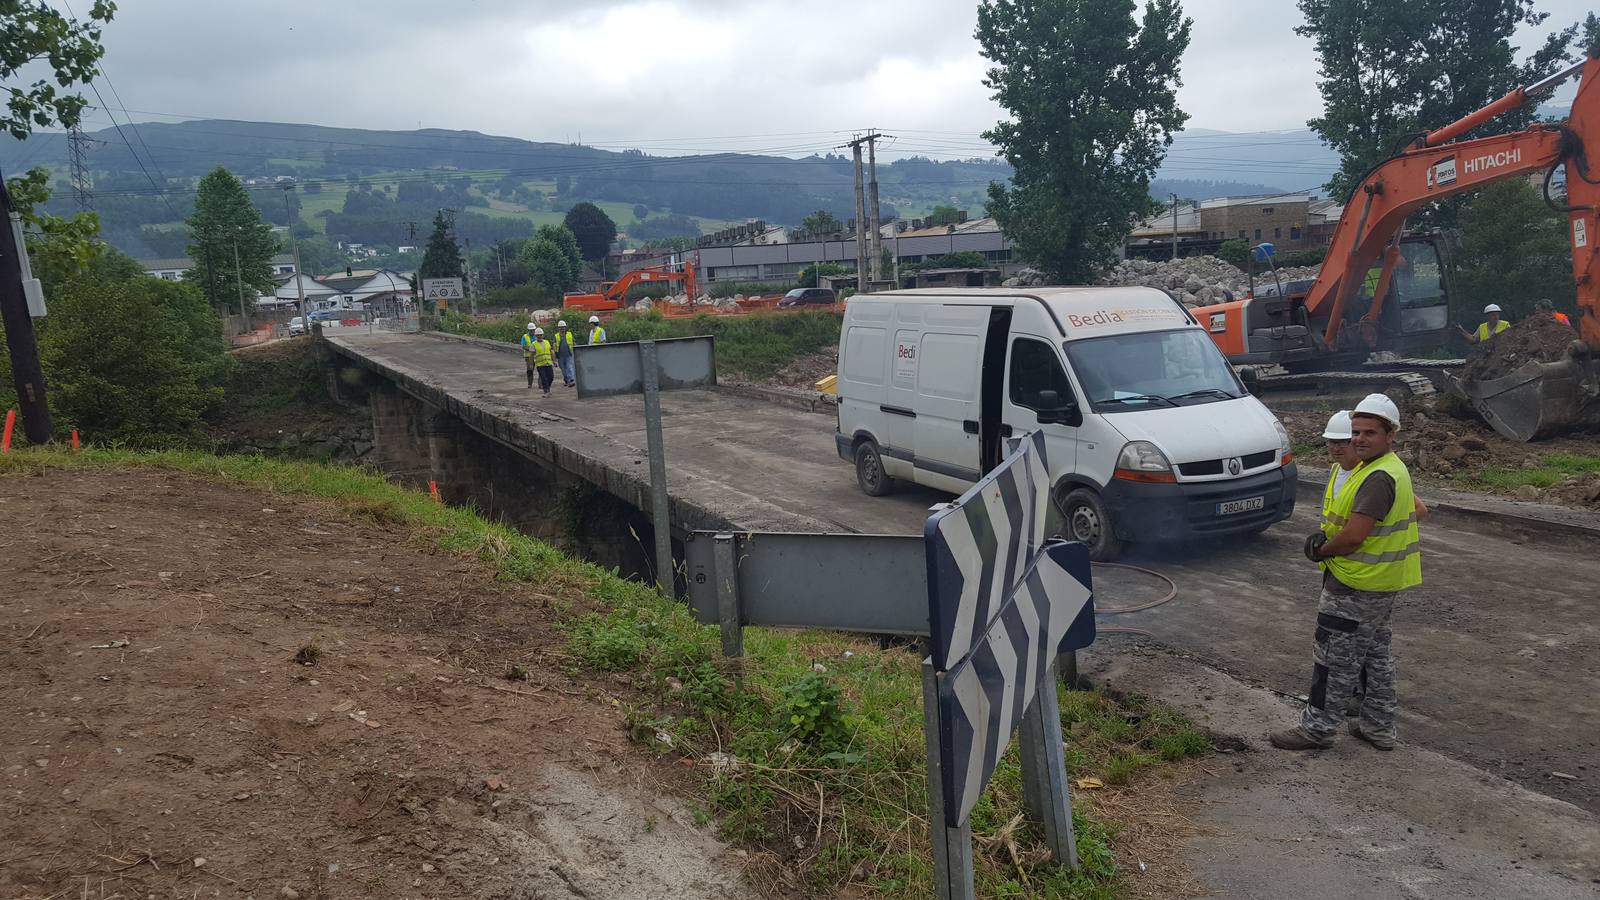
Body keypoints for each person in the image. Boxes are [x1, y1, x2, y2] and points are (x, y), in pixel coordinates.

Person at [1272, 394, 1421, 752]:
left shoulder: (1377, 477)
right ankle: (1378, 727)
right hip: (1380, 583)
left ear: (1391, 435)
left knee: (1333, 660)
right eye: (1355, 432)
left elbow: (1354, 537)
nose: (1358, 440)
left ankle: (1317, 730)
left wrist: (1320, 550)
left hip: (1355, 584)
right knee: (1375, 657)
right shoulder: (1384, 469)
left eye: (1369, 432)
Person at [526, 326, 555, 395]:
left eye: (540, 335)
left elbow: (551, 351)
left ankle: (548, 388)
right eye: (538, 335)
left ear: (543, 335)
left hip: (548, 363)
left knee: (551, 377)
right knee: (543, 378)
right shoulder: (534, 344)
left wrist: (554, 361)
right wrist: (531, 364)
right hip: (540, 364)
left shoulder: (547, 342)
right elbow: (531, 355)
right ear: (536, 336)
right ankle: (546, 391)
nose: (539, 336)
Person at [552, 319, 577, 387]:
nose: (562, 329)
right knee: (563, 369)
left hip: (569, 354)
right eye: (560, 327)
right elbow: (554, 344)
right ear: (558, 328)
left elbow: (574, 342)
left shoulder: (569, 334)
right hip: (560, 355)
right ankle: (566, 380)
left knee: (569, 367)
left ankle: (571, 379)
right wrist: (555, 352)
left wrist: (575, 350)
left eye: (563, 327)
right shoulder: (556, 336)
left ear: (565, 328)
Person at [519, 322, 541, 389]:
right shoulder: (524, 337)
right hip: (528, 357)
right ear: (528, 330)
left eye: (533, 330)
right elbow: (524, 346)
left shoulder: (537, 336)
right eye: (531, 330)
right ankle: (530, 384)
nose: (532, 331)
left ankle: (541, 384)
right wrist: (532, 349)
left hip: (537, 356)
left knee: (541, 370)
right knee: (530, 370)